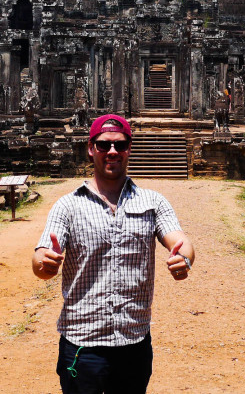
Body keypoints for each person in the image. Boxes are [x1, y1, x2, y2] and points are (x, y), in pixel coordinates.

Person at [32, 114, 195, 394]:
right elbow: (41, 255)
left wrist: (185, 259)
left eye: (120, 145)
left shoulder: (153, 202)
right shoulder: (68, 206)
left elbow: (179, 239)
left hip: (133, 339)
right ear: (91, 147)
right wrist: (44, 264)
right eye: (104, 144)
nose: (112, 152)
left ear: (129, 149)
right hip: (83, 343)